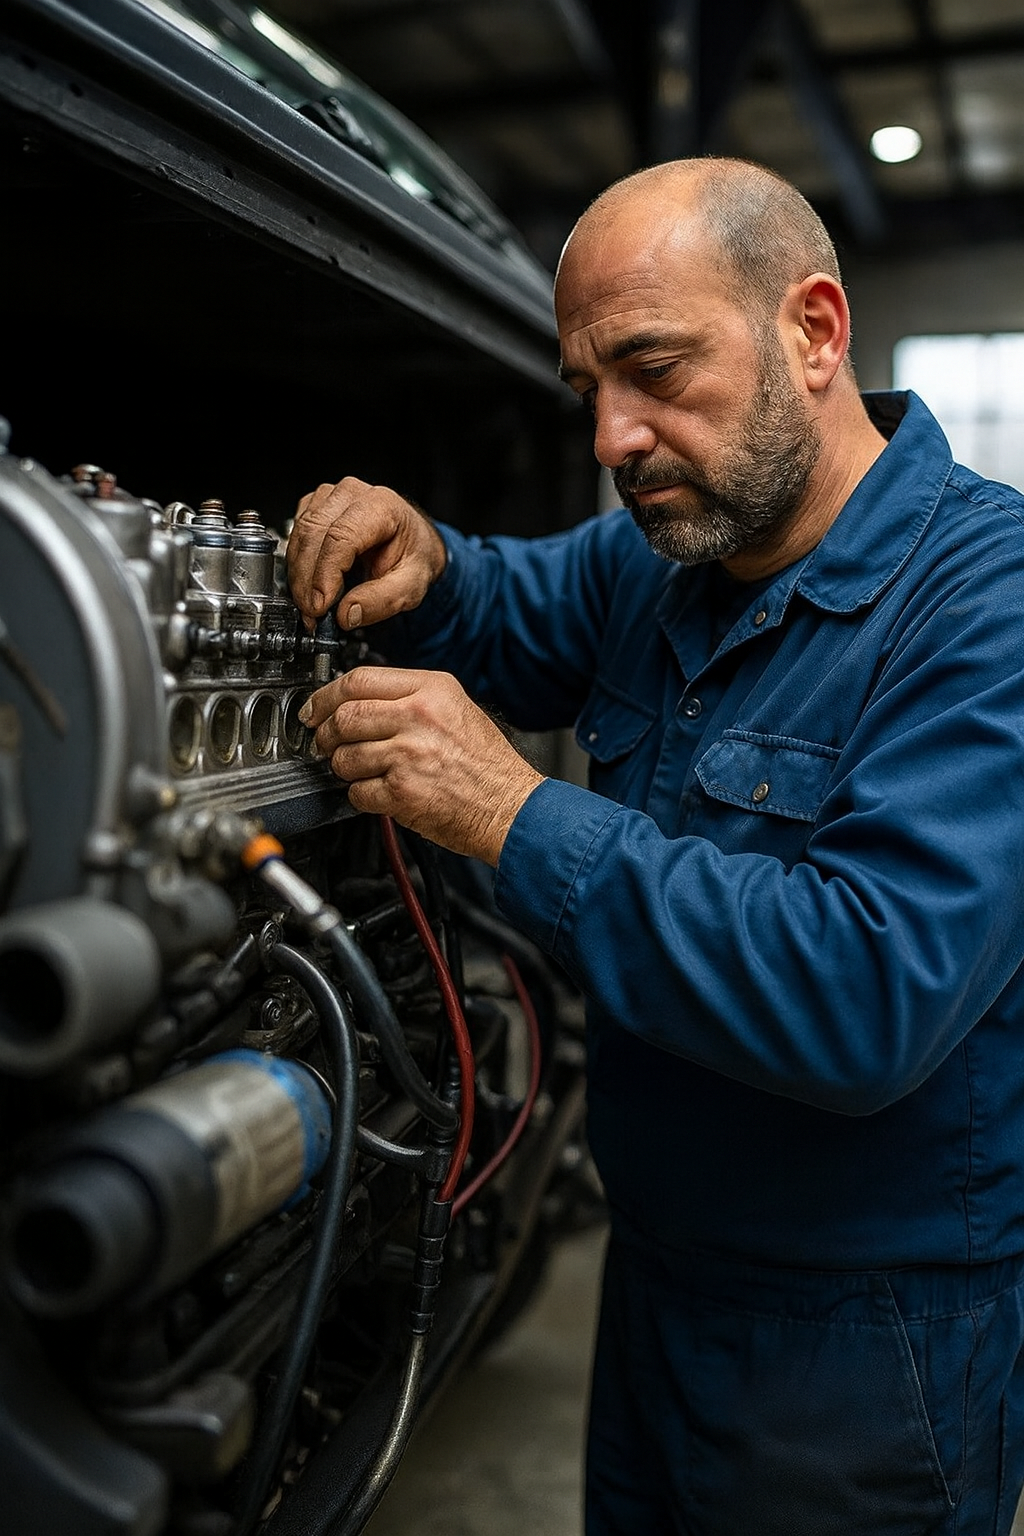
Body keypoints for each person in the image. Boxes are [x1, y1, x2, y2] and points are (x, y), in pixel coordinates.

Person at [288, 158, 1024, 1535]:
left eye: (655, 368)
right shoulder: (670, 555)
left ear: (814, 332)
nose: (615, 438)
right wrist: (425, 557)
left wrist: (510, 812)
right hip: (657, 1284)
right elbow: (507, 603)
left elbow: (867, 990)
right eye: (588, 391)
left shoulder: (989, 603)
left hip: (865, 1350)